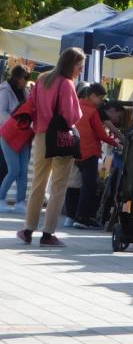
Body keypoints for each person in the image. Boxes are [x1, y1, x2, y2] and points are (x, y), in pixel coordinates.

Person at [17, 48, 84, 248]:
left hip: (41, 134)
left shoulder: (43, 79)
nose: (80, 70)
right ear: (71, 64)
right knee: (58, 186)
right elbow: (72, 115)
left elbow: (31, 105)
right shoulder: (67, 84)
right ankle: (48, 234)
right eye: (79, 66)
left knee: (38, 183)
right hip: (61, 137)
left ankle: (28, 229)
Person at [68, 83, 121, 229]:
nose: (102, 101)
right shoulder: (92, 111)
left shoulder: (76, 105)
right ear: (92, 96)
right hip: (89, 151)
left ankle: (72, 216)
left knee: (74, 184)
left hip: (74, 151)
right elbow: (101, 134)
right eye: (100, 98)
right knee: (89, 186)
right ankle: (82, 217)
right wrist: (117, 144)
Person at [0, 65, 30, 213]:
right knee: (14, 169)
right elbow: (1, 111)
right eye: (26, 77)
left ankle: (20, 202)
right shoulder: (5, 90)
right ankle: (0, 198)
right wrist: (15, 124)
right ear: (17, 77)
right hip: (9, 134)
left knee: (23, 170)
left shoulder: (26, 91)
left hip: (24, 134)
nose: (27, 80)